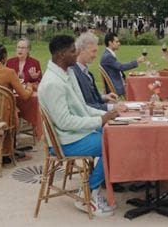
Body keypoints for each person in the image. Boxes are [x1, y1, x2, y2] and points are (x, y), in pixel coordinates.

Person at [38, 35, 119, 217]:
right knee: (112, 144)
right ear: (61, 55)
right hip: (63, 142)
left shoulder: (68, 73)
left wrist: (107, 116)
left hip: (73, 134)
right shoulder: (52, 83)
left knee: (116, 135)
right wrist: (101, 120)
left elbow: (82, 108)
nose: (77, 54)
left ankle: (93, 191)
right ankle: (88, 194)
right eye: (73, 51)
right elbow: (65, 122)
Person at [72, 32, 124, 112]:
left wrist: (104, 97)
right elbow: (85, 106)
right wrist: (111, 107)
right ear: (82, 50)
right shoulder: (74, 74)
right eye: (93, 51)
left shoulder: (85, 72)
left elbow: (91, 98)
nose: (96, 55)